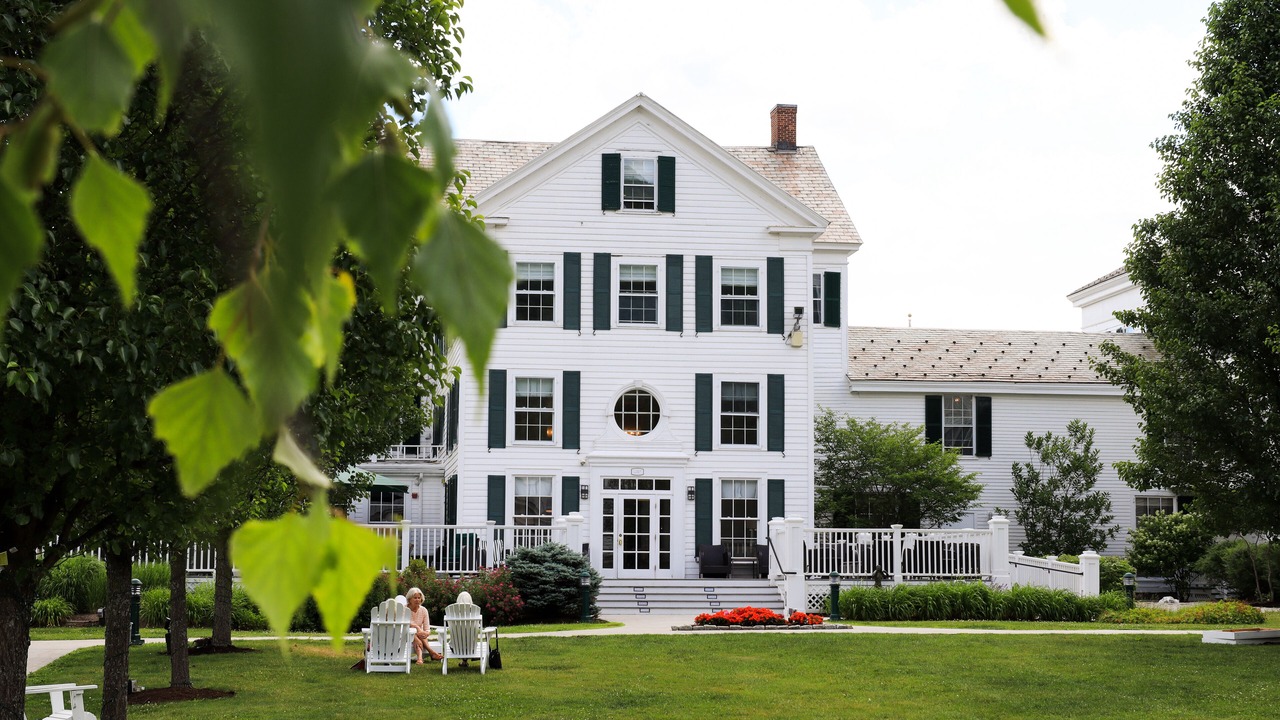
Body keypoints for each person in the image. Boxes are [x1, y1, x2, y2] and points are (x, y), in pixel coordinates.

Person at [404, 588, 442, 664]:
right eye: (415, 598)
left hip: (420, 635)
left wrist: (426, 633)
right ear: (409, 599)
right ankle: (431, 652)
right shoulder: (404, 610)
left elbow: (427, 628)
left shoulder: (423, 610)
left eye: (419, 598)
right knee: (415, 634)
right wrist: (417, 629)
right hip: (405, 635)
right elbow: (405, 626)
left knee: (420, 635)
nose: (417, 600)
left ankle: (420, 659)